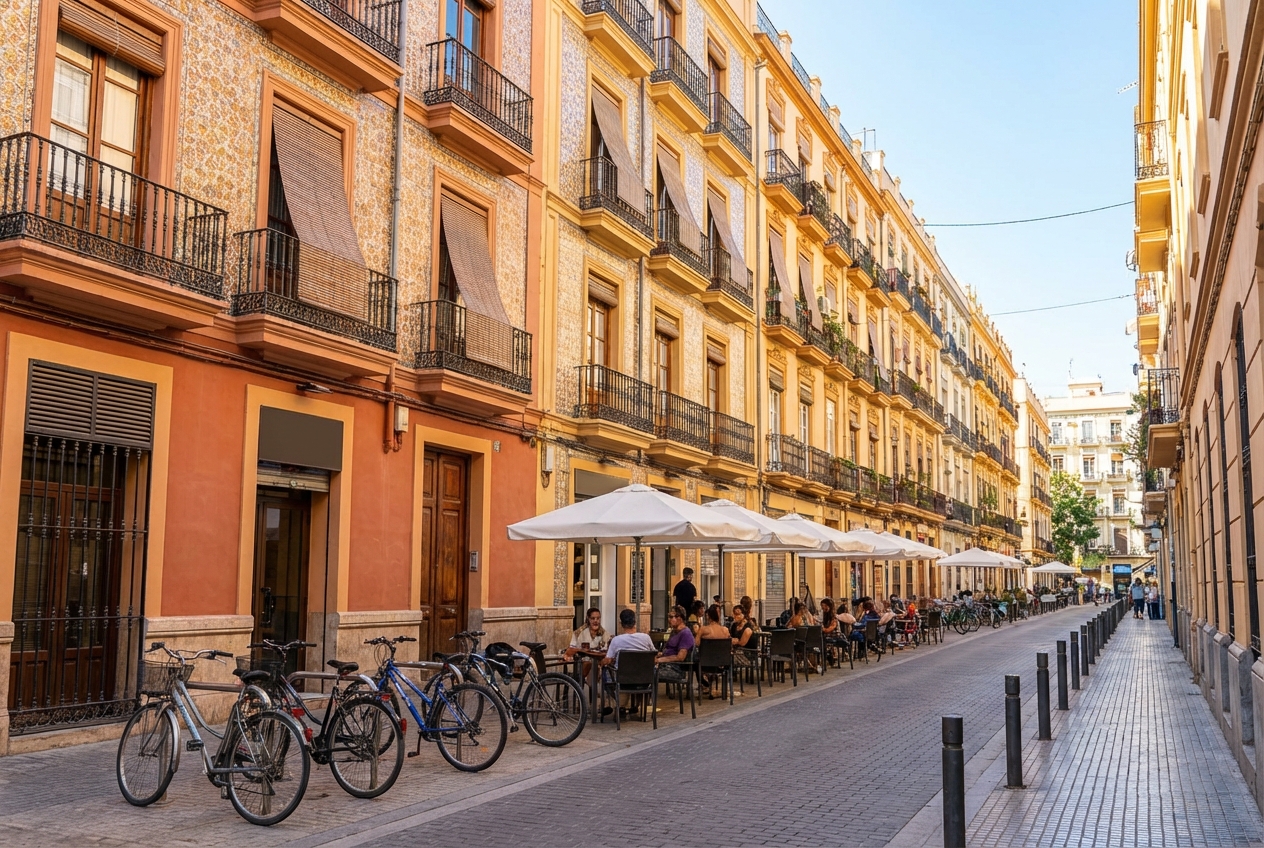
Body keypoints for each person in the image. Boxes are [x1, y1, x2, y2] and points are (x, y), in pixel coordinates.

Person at [600, 609, 657, 716]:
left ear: (621, 623)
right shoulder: (646, 638)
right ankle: (635, 705)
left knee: (605, 674)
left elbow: (608, 660)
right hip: (644, 681)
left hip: (623, 681)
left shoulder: (616, 640)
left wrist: (602, 663)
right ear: (635, 622)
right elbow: (653, 655)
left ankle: (619, 704)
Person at [655, 605, 695, 686]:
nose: (670, 619)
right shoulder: (674, 632)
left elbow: (680, 657)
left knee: (648, 673)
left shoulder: (685, 633)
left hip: (675, 669)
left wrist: (660, 660)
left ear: (681, 618)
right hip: (665, 666)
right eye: (669, 617)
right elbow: (669, 649)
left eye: (673, 616)